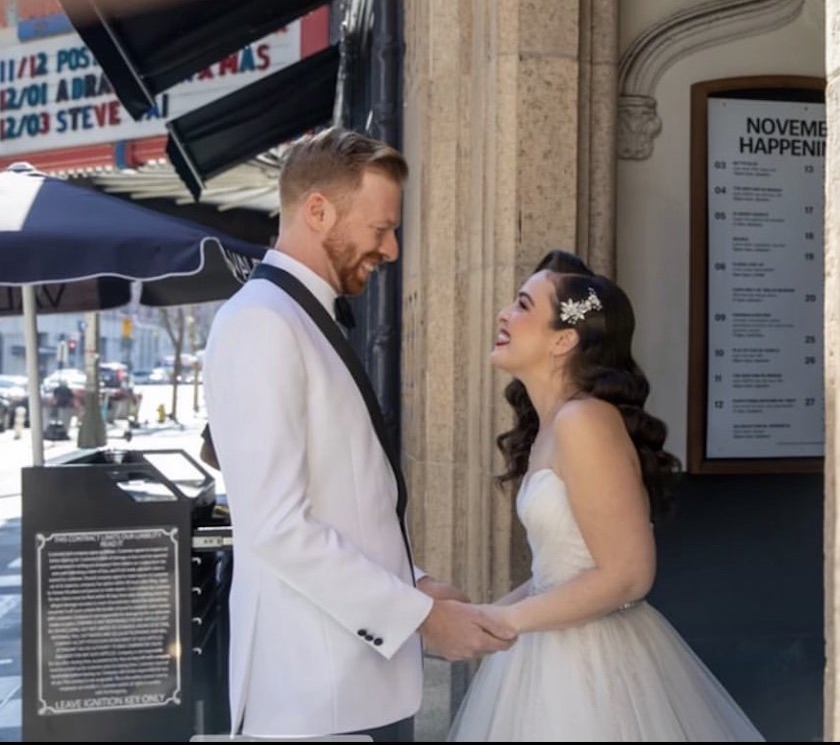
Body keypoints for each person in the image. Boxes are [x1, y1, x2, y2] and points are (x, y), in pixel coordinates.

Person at [203, 127, 516, 741]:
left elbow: (342, 501)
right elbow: (275, 528)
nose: (393, 249)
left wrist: (413, 579)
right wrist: (421, 616)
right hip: (314, 696)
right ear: (317, 210)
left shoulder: (296, 316)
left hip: (353, 688)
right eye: (380, 230)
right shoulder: (259, 324)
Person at [447, 250, 764, 741]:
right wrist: (481, 618)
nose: (503, 314)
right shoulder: (552, 425)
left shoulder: (585, 421)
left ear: (565, 339)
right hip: (550, 651)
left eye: (523, 305)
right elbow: (555, 572)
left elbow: (628, 575)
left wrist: (503, 619)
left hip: (592, 667)